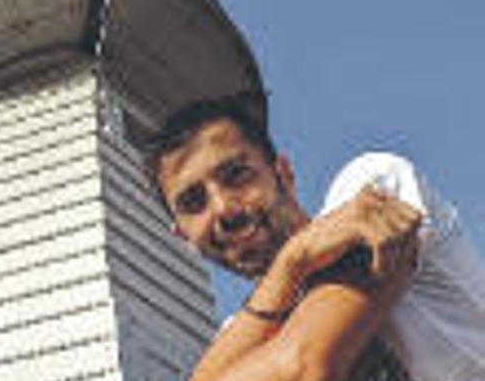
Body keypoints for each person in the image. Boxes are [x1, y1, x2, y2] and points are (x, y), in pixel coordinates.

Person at [149, 97, 485, 381]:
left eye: (237, 175)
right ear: (183, 235)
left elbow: (304, 367)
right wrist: (290, 265)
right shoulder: (240, 334)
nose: (223, 208)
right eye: (194, 202)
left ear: (283, 174)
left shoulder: (373, 189)